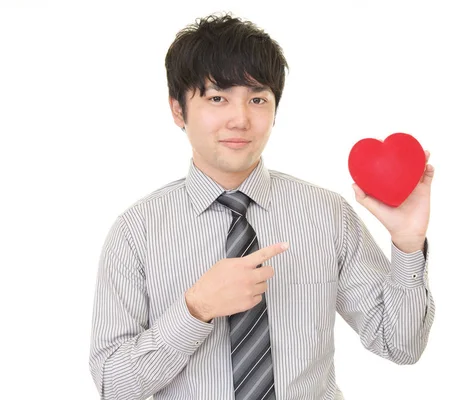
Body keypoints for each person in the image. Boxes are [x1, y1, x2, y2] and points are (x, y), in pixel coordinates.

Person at [89, 12, 435, 400]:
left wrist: (407, 244)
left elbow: (400, 345)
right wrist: (196, 308)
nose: (240, 119)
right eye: (217, 98)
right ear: (177, 109)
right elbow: (113, 384)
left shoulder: (327, 214)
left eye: (257, 99)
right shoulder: (136, 232)